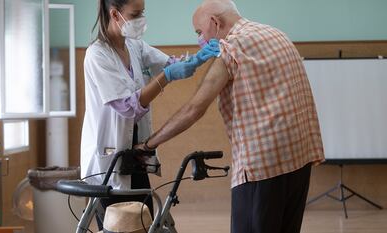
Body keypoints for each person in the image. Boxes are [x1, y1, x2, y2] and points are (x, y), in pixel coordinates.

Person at [136, 0, 325, 233]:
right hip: (299, 160)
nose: (200, 39)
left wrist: (148, 144)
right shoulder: (277, 34)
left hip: (262, 169)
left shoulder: (232, 47)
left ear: (215, 23)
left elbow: (194, 108)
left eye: (199, 32)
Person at [81, 0, 219, 229]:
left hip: (135, 155)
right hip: (108, 160)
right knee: (118, 225)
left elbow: (172, 64)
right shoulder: (97, 56)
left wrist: (198, 58)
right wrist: (166, 76)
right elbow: (126, 107)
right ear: (115, 15)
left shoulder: (134, 46)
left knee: (145, 221)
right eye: (135, 14)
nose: (141, 18)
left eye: (142, 12)